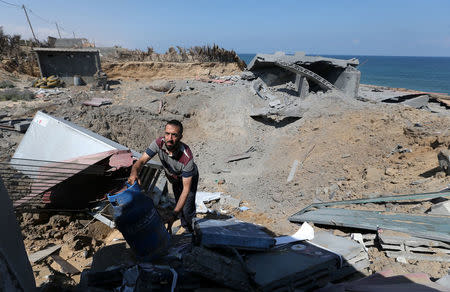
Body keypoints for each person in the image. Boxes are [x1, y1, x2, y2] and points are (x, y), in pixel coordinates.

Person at [128, 120, 198, 233]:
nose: (169, 138)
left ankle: (191, 231)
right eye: (167, 133)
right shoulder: (158, 143)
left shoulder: (187, 158)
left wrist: (173, 215)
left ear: (180, 136)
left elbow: (185, 190)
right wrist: (134, 172)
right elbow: (141, 161)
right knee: (177, 200)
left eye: (174, 135)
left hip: (189, 178)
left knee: (187, 207)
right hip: (174, 178)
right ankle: (184, 224)